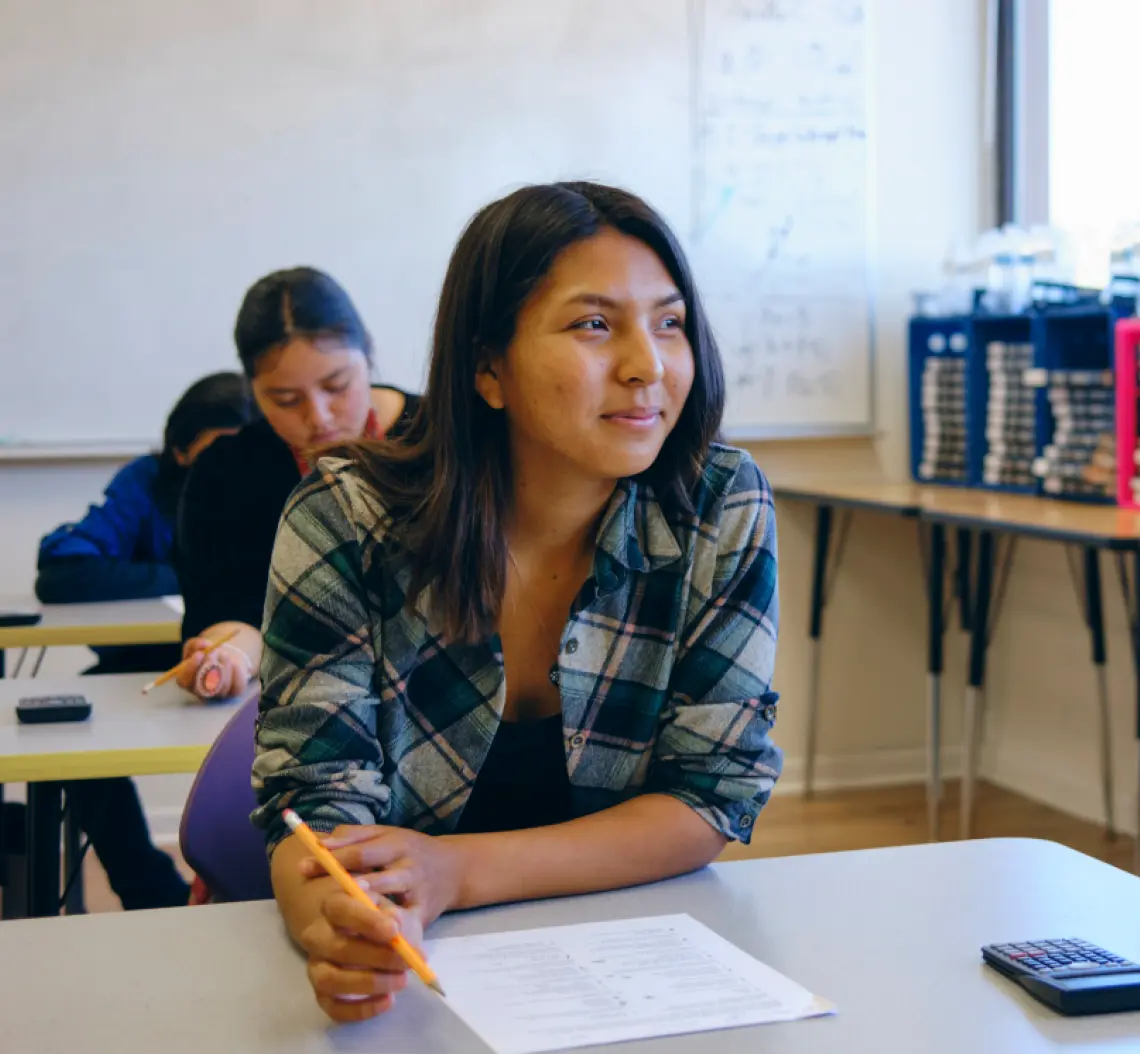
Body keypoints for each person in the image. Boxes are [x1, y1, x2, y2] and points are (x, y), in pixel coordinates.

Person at [252, 182, 782, 1023]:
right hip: (426, 994)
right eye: (594, 324)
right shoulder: (344, 518)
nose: (648, 365)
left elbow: (709, 796)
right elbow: (314, 813)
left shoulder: (719, 504)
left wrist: (456, 872)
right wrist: (345, 925)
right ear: (487, 367)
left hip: (631, 976)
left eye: (670, 321)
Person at [33, 371, 254, 911]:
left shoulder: (260, 484)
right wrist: (185, 575)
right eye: (211, 455)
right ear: (180, 450)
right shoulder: (146, 483)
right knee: (77, 728)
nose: (224, 469)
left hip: (251, 656)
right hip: (154, 659)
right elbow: (63, 567)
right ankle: (146, 888)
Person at [173, 268, 422, 701]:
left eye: (336, 385)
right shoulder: (226, 473)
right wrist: (227, 653)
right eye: (286, 400)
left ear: (369, 355)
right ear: (253, 388)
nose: (319, 417)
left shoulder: (444, 440)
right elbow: (235, 610)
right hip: (306, 708)